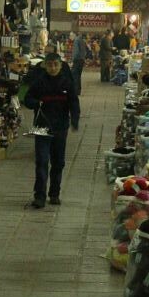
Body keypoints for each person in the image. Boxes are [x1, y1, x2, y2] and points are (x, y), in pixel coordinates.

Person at [23, 51, 80, 208]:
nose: (53, 68)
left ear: (60, 66)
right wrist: (36, 103)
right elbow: (27, 99)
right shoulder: (39, 82)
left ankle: (54, 194)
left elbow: (74, 103)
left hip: (60, 127)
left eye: (56, 64)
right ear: (45, 66)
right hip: (42, 127)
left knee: (58, 162)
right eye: (50, 65)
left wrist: (75, 119)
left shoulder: (67, 83)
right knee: (41, 161)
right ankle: (39, 196)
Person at [71, 29, 89, 95]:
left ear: (74, 35)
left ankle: (75, 91)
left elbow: (76, 52)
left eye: (71, 35)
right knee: (78, 76)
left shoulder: (76, 40)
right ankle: (78, 90)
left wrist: (73, 60)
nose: (70, 37)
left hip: (77, 60)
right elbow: (85, 51)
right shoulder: (82, 40)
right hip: (81, 60)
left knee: (75, 75)